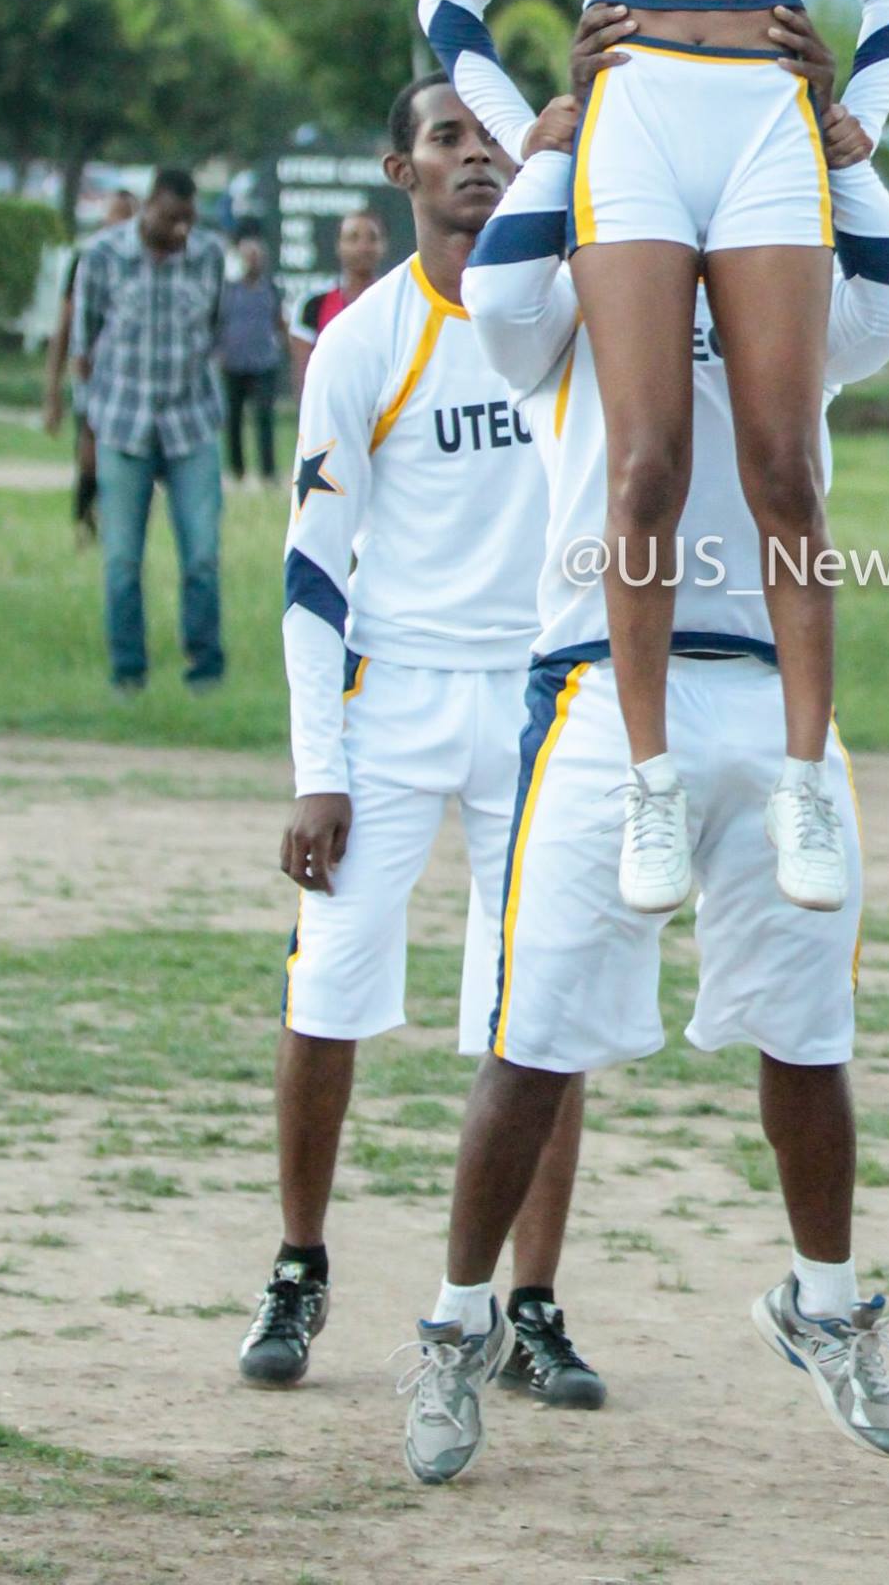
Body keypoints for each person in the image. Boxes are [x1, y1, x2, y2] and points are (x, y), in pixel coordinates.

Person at [394, 18, 889, 1488]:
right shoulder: (577, 299)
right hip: (598, 691)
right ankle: (454, 1326)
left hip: (768, 694)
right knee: (535, 1042)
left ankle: (825, 1302)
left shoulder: (781, 305)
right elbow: (492, 287)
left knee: (808, 1032)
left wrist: (836, 144)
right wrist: (560, 137)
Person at [422, 0, 889, 921]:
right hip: (631, 136)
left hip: (767, 138)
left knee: (783, 469)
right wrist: (523, 121)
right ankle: (647, 782)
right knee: (644, 466)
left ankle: (803, 780)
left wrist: (857, 120)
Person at [239, 75, 604, 1407]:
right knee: (328, 989)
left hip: (540, 701)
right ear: (402, 171)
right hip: (391, 701)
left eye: (496, 135)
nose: (477, 156)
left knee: (541, 1008)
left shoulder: (569, 319)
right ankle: (298, 1266)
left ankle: (531, 1303)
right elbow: (312, 568)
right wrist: (317, 767)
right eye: (449, 137)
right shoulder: (364, 341)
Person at [70, 169, 225, 691]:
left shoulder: (208, 256)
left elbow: (214, 329)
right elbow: (83, 346)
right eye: (171, 218)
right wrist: (85, 431)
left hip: (191, 424)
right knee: (121, 559)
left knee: (201, 554)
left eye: (189, 220)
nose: (181, 230)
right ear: (149, 205)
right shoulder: (102, 256)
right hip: (122, 423)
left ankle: (205, 669)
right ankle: (128, 672)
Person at [43, 187, 137, 541]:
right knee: (89, 451)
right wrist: (52, 391)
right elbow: (64, 325)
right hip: (93, 375)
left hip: (133, 380)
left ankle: (118, 523)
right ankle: (85, 522)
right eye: (113, 217)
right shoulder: (85, 261)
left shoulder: (146, 264)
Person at [289, 207, 387, 401]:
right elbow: (303, 374)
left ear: (383, 246)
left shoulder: (398, 301)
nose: (363, 246)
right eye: (353, 238)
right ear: (339, 246)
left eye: (372, 238)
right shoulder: (313, 305)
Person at [218, 226, 289, 487]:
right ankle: (237, 470)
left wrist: (283, 346)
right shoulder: (229, 290)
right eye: (248, 257)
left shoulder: (271, 289)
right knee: (234, 419)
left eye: (256, 257)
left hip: (263, 362)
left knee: (265, 418)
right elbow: (218, 322)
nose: (252, 262)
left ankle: (268, 472)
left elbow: (280, 323)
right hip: (233, 362)